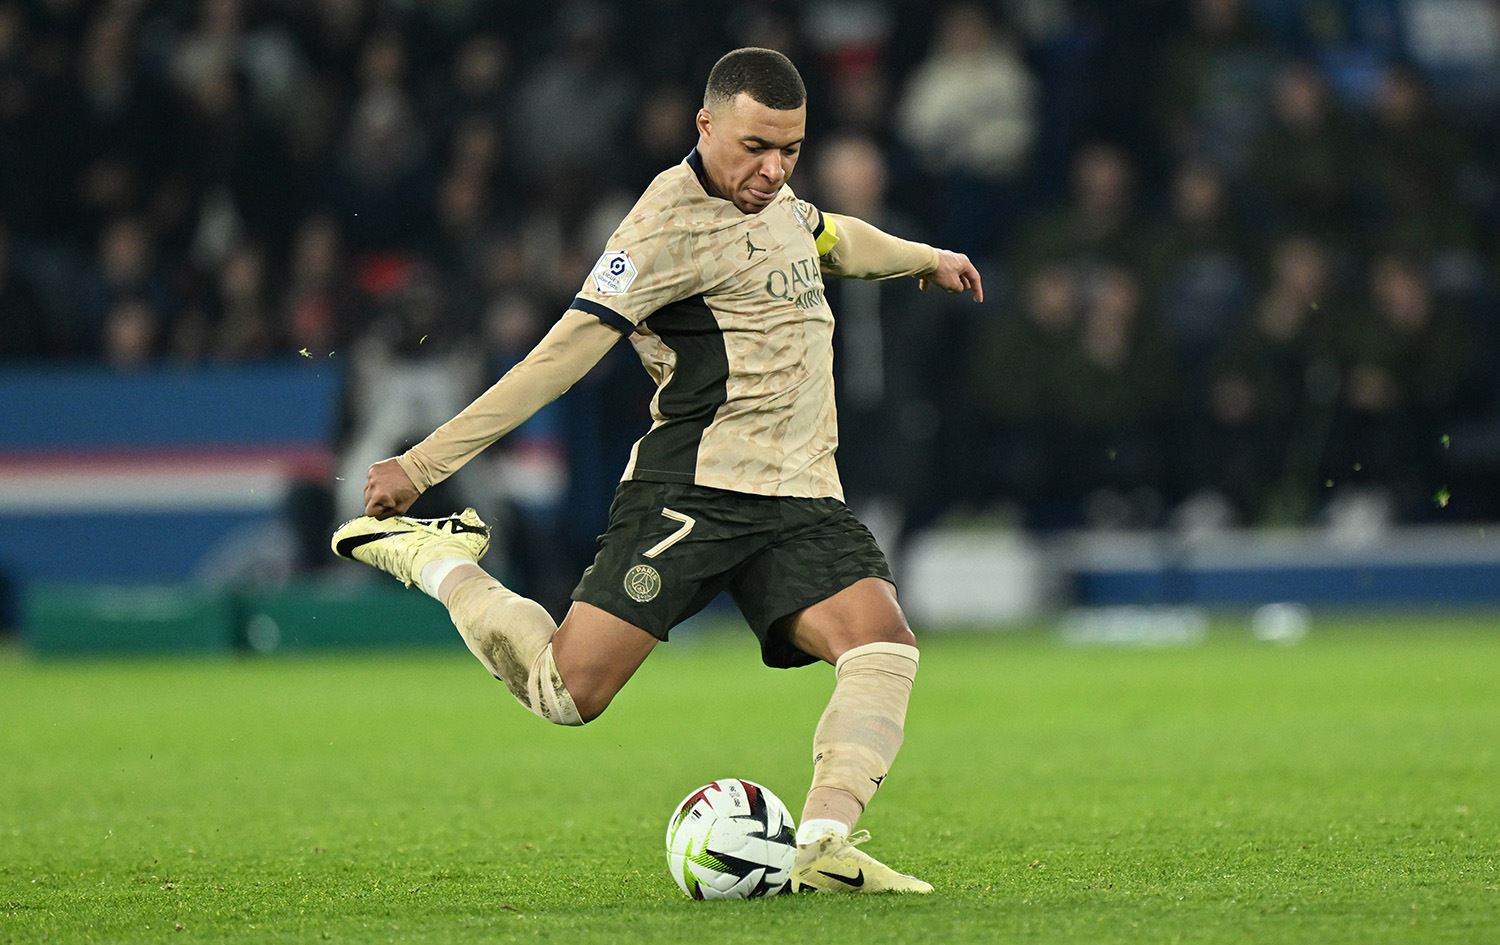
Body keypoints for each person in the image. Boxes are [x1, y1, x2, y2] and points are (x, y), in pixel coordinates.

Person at [331, 47, 983, 895]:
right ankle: (439, 559)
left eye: (790, 149)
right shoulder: (659, 229)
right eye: (755, 147)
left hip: (800, 496)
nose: (773, 169)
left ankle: (823, 844)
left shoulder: (779, 202)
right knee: (566, 692)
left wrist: (923, 256)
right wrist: (423, 463)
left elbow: (832, 236)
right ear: (705, 125)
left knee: (882, 644)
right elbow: (558, 358)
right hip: (692, 493)